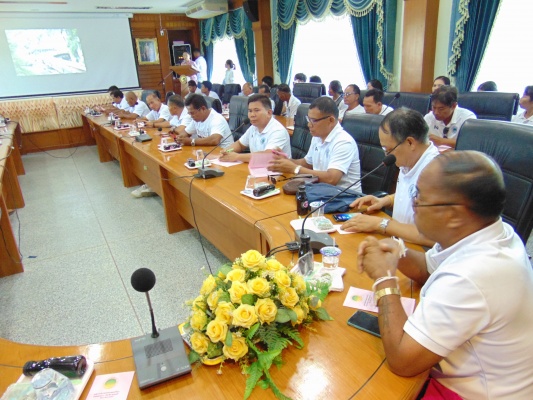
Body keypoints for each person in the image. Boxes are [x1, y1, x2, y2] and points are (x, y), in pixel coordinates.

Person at [356, 150, 533, 399]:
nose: (413, 204)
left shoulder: (472, 276)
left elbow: (402, 361)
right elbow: (428, 268)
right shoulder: (491, 230)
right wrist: (397, 252)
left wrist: (384, 279)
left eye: (419, 197)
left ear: (453, 215)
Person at [341, 108, 439, 246]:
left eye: (388, 150)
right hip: (399, 242)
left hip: (419, 250)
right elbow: (410, 193)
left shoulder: (437, 173)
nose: (386, 155)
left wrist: (381, 224)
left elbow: (434, 236)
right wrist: (385, 200)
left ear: (410, 142)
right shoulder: (410, 159)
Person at [268, 96, 361, 190]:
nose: (309, 124)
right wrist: (287, 161)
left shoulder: (343, 142)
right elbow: (307, 163)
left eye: (314, 120)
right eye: (308, 119)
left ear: (331, 120)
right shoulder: (318, 136)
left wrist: (295, 169)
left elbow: (331, 179)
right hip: (320, 190)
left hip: (344, 195)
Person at [219, 94, 291, 163]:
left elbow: (268, 156)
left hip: (277, 170)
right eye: (250, 111)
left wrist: (237, 157)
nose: (252, 115)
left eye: (256, 110)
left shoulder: (278, 131)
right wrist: (227, 150)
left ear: (269, 113)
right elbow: (240, 144)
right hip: (257, 168)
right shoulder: (253, 127)